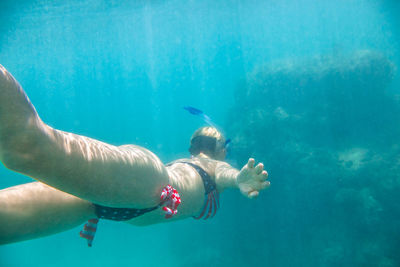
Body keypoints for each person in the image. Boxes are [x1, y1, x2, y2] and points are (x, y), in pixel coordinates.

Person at [0, 64, 270, 246]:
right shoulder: (208, 164)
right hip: (146, 184)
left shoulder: (190, 161)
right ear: (221, 150)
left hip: (101, 205)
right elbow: (223, 173)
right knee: (29, 146)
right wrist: (239, 178)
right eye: (227, 150)